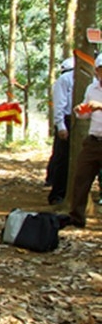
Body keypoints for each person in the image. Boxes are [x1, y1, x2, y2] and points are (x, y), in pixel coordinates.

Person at [64, 54, 102, 227]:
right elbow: (86, 114)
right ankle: (77, 217)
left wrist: (99, 106)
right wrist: (81, 110)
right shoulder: (91, 89)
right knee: (81, 178)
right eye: (100, 70)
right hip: (93, 141)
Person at [46, 57, 74, 204]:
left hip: (83, 120)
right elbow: (59, 104)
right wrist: (61, 125)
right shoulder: (65, 79)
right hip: (67, 120)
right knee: (62, 158)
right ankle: (57, 194)